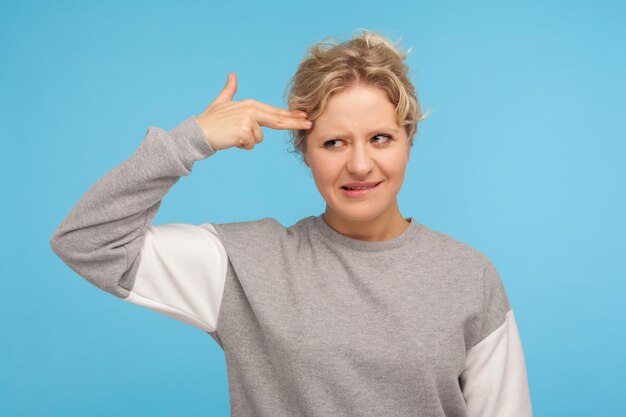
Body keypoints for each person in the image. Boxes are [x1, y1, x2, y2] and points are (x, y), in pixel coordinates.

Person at [50, 30, 532, 417]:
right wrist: (190, 140)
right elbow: (87, 241)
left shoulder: (469, 276)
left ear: (409, 140)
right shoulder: (245, 266)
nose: (360, 165)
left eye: (381, 138)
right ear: (305, 153)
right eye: (334, 143)